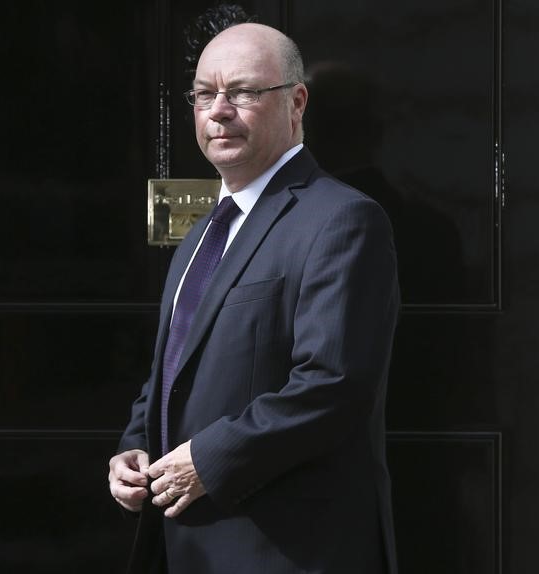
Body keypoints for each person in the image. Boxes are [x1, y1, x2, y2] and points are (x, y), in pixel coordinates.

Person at [108, 22, 400, 574]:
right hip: (183, 545)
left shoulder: (342, 219)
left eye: (242, 92)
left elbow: (333, 385)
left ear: (296, 102)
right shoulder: (201, 234)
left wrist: (206, 461)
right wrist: (135, 448)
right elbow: (175, 368)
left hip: (282, 548)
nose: (218, 110)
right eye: (204, 93)